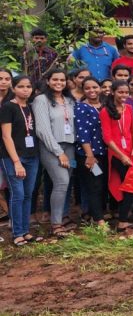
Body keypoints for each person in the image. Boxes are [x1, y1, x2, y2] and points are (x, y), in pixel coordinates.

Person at [32, 69, 76, 236]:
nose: (59, 83)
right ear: (48, 81)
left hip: (70, 147)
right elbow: (42, 130)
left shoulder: (69, 100)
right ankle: (56, 224)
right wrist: (59, 152)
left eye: (62, 80)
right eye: (55, 79)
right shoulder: (41, 100)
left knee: (67, 181)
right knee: (62, 182)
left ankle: (62, 216)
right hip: (51, 148)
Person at [101, 80, 133, 233]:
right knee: (130, 185)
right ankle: (122, 221)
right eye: (120, 92)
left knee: (132, 184)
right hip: (117, 153)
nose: (124, 95)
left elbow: (132, 130)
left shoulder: (129, 108)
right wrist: (121, 156)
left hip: (130, 151)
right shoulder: (105, 111)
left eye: (126, 92)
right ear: (113, 92)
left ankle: (123, 218)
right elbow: (107, 138)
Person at [1, 76, 41, 244]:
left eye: (28, 86)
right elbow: (6, 136)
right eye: (21, 86)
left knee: (28, 194)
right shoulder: (8, 107)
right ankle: (17, 233)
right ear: (14, 88)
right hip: (12, 157)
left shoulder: (31, 107)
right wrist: (16, 161)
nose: (25, 89)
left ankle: (25, 231)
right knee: (17, 194)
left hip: (32, 156)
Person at [74, 77, 107, 226]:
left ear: (100, 88)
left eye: (94, 87)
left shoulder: (105, 105)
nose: (92, 91)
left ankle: (97, 215)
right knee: (94, 185)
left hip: (105, 152)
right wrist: (90, 155)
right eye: (87, 88)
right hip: (89, 154)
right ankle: (99, 220)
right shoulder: (81, 107)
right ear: (83, 90)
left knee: (101, 185)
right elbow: (82, 133)